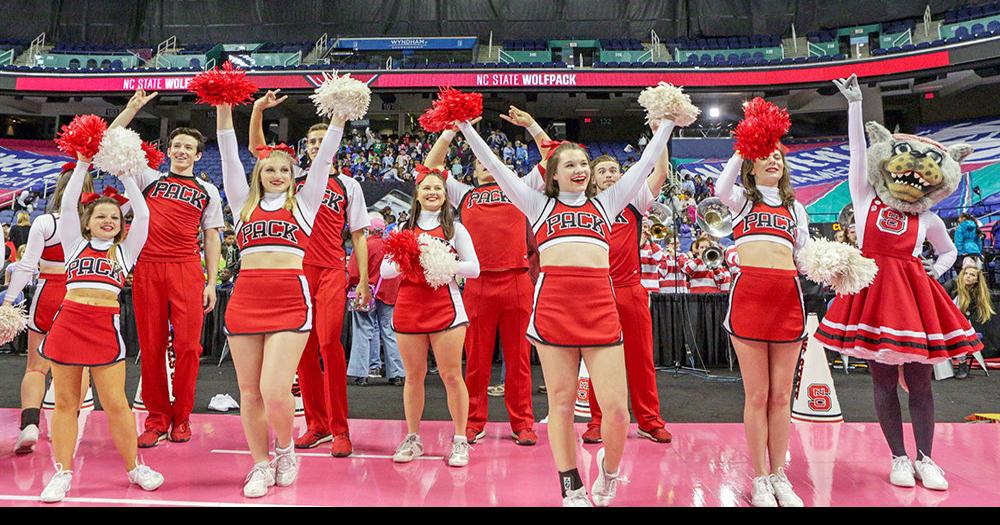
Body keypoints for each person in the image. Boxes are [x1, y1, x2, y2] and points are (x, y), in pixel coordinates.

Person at [457, 111, 673, 507]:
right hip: (553, 308)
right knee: (559, 403)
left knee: (617, 411)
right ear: (553, 174)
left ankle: (609, 473)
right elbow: (495, 165)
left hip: (600, 309)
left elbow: (644, 164)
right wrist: (466, 127)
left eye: (582, 164)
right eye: (568, 164)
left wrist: (668, 126)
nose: (578, 169)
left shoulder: (607, 203)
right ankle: (570, 484)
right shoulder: (536, 205)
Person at [816, 75, 981, 493]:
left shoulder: (927, 217)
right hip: (872, 295)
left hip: (913, 299)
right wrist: (855, 105)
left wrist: (932, 271)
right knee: (883, 380)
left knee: (922, 382)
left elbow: (948, 253)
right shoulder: (865, 198)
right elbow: (858, 154)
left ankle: (927, 458)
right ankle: (898, 457)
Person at [517, 121, 674, 446]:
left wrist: (662, 134)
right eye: (601, 171)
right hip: (594, 291)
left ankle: (649, 420)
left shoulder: (631, 200)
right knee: (594, 365)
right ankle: (598, 422)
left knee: (641, 359)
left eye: (613, 171)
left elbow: (657, 174)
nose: (609, 176)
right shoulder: (582, 205)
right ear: (591, 177)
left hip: (629, 288)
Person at [218, 100, 346, 497]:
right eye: (269, 169)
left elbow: (324, 160)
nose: (276, 175)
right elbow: (227, 151)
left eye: (284, 170)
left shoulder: (305, 205)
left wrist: (340, 113)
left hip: (291, 300)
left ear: (295, 176)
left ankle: (286, 450)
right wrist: (224, 105)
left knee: (275, 389)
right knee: (250, 392)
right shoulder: (244, 204)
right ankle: (260, 463)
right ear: (259, 172)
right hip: (245, 301)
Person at [249, 90, 370, 454]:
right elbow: (259, 152)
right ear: (306, 148)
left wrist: (363, 279)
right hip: (297, 272)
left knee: (330, 344)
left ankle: (340, 429)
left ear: (334, 145)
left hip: (332, 271)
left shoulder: (350, 185)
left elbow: (359, 237)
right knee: (303, 349)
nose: (318, 145)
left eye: (323, 140)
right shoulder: (292, 179)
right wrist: (257, 110)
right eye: (312, 141)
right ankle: (316, 423)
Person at [37, 152, 162, 503]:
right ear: (87, 222)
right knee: (65, 403)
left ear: (122, 225)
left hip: (104, 328)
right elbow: (69, 203)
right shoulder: (74, 246)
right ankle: (62, 471)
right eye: (100, 216)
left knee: (117, 404)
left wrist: (126, 176)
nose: (109, 220)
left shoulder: (125, 253)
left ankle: (135, 466)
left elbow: (146, 214)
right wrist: (80, 164)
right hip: (68, 325)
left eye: (114, 217)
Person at [111, 89, 224, 448]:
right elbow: (109, 144)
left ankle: (183, 417)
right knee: (152, 344)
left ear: (198, 155)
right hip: (148, 268)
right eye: (176, 146)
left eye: (188, 148)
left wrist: (212, 280)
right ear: (168, 151)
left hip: (188, 269)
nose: (181, 152)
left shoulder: (208, 190)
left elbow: (212, 238)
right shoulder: (148, 179)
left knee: (189, 347)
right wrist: (131, 109)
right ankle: (157, 418)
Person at [420, 112, 540, 447]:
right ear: (472, 171)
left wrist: (530, 125)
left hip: (517, 281)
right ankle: (474, 420)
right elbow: (429, 170)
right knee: (475, 360)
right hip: (478, 284)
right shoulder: (464, 194)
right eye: (482, 164)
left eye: (495, 163)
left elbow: (550, 155)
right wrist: (447, 132)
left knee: (518, 361)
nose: (489, 166)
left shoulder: (522, 189)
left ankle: (523, 423)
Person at [714, 120, 811, 506]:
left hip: (788, 299)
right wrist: (745, 145)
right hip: (749, 299)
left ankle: (779, 474)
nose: (773, 161)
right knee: (756, 395)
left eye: (778, 157)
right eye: (765, 157)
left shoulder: (795, 207)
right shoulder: (741, 199)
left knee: (781, 395)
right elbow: (720, 189)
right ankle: (759, 478)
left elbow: (804, 257)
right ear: (751, 167)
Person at [382, 167, 479, 467]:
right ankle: (413, 437)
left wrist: (441, 260)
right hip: (410, 308)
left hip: (446, 308)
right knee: (414, 376)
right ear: (417, 194)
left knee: (451, 375)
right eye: (426, 188)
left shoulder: (455, 229)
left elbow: (474, 268)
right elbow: (385, 271)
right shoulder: (402, 229)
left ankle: (461, 439)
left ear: (446, 194)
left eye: (438, 188)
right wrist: (411, 257)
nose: (432, 192)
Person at [4, 164, 94, 455]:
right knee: (78, 368)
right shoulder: (96, 223)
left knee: (36, 367)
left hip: (47, 293)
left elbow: (26, 266)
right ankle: (66, 425)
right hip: (80, 296)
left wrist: (7, 302)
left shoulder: (44, 222)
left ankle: (30, 424)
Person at [346, 213, 404, 387]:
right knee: (390, 331)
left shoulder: (364, 246)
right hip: (389, 293)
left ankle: (361, 373)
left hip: (366, 293)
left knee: (363, 331)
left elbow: (354, 272)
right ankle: (397, 373)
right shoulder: (391, 247)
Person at [949, 262, 995, 378]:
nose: (968, 276)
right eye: (966, 273)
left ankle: (962, 364)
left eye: (972, 275)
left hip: (961, 322)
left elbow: (966, 316)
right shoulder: (952, 284)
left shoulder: (976, 294)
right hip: (943, 318)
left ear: (977, 280)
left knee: (960, 333)